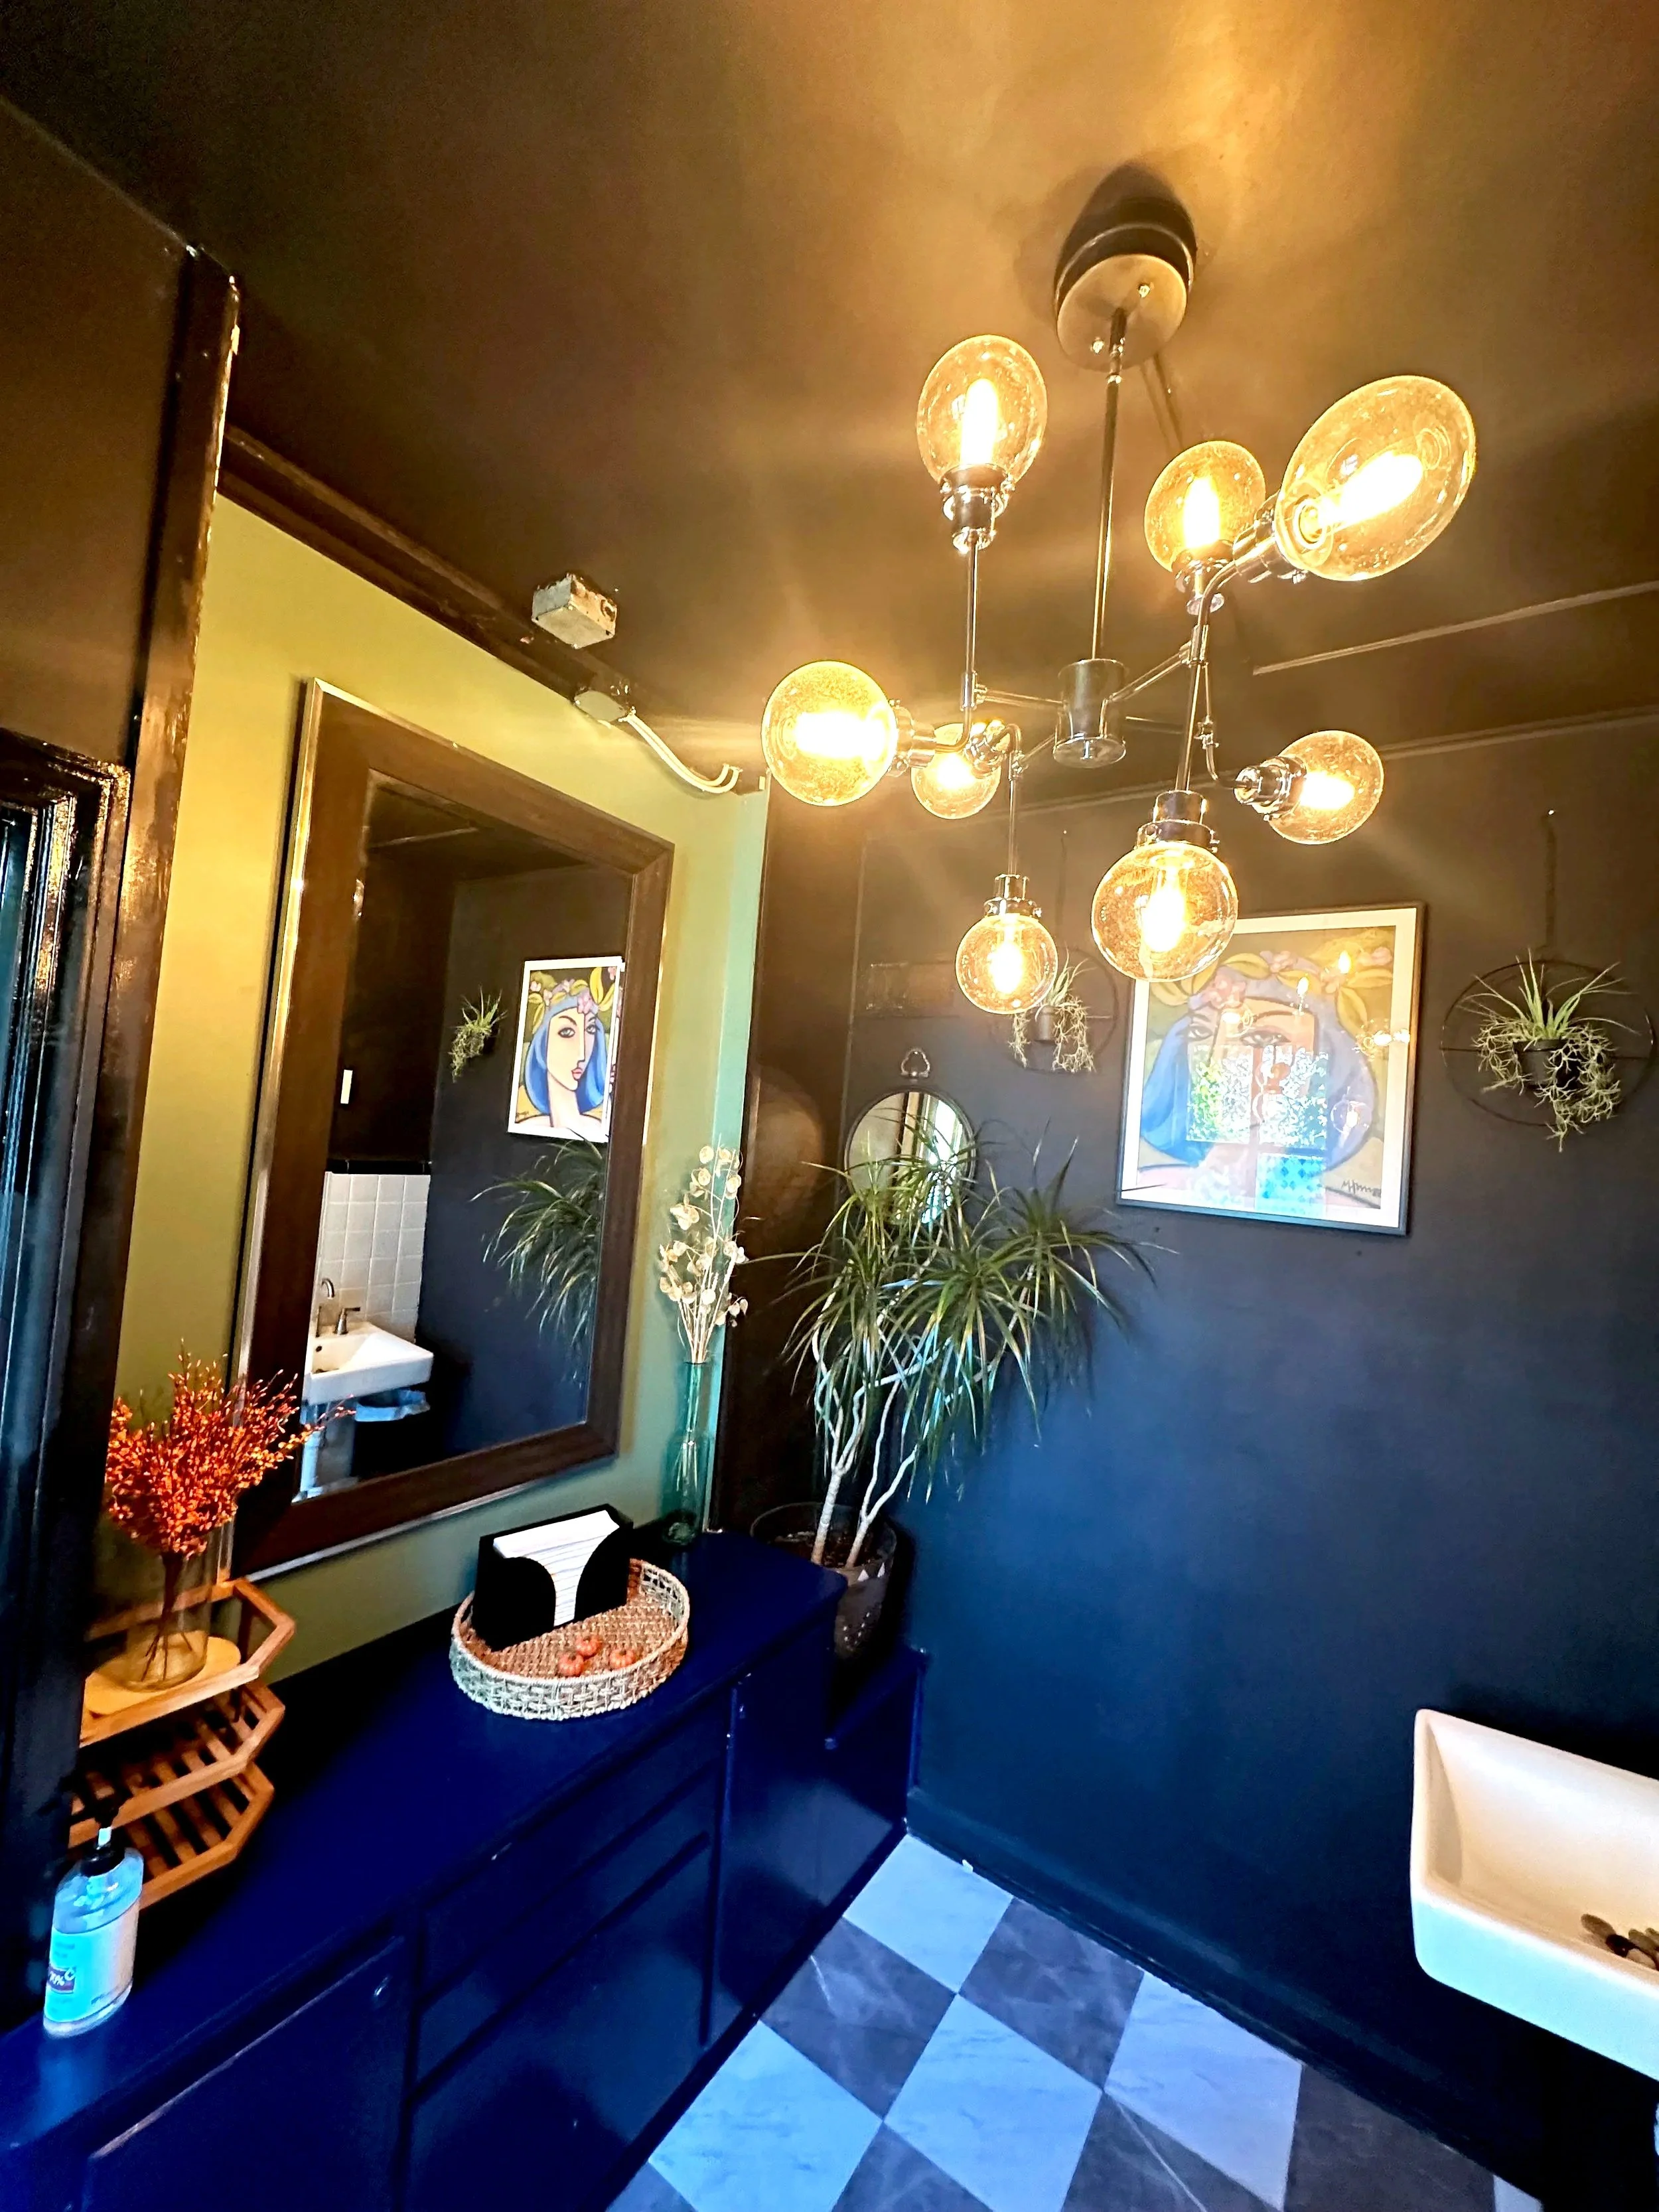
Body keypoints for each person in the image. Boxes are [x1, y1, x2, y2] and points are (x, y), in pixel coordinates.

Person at [520, 970, 616, 1139]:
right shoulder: (525, 1128)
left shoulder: (601, 1132)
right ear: (542, 1042)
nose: (581, 1054)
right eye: (566, 1032)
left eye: (590, 1029)